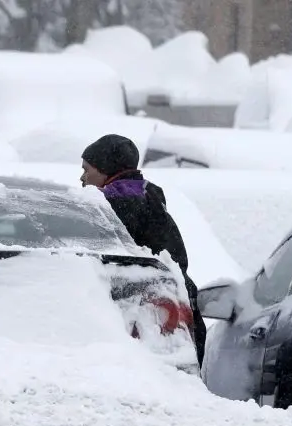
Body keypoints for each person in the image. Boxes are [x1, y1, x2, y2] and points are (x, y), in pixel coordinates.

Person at [80, 133, 206, 367]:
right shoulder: (150, 200)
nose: (82, 177)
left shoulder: (113, 206)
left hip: (142, 314)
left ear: (106, 169)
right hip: (178, 302)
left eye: (87, 169)